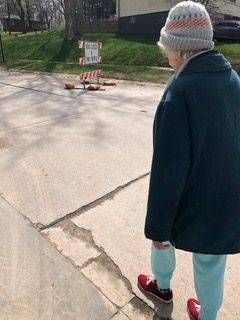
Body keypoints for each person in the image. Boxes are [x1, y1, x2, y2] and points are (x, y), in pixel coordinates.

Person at [137, 1, 240, 320]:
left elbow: (168, 172)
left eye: (167, 48)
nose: (165, 55)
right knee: (211, 258)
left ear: (181, 50)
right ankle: (208, 314)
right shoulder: (233, 80)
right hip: (226, 197)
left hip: (189, 197)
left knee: (162, 241)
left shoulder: (178, 94)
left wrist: (157, 225)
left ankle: (162, 286)